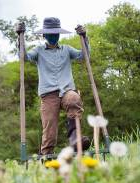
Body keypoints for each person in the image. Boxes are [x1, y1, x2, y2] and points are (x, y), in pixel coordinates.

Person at [16, 17, 91, 155]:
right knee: (50, 131)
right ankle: (45, 157)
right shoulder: (38, 51)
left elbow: (83, 56)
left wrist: (84, 37)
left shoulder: (67, 49)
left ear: (59, 34)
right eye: (50, 34)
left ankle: (75, 139)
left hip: (67, 90)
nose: (53, 36)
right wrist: (20, 38)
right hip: (48, 95)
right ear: (44, 35)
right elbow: (24, 57)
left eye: (56, 33)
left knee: (73, 98)